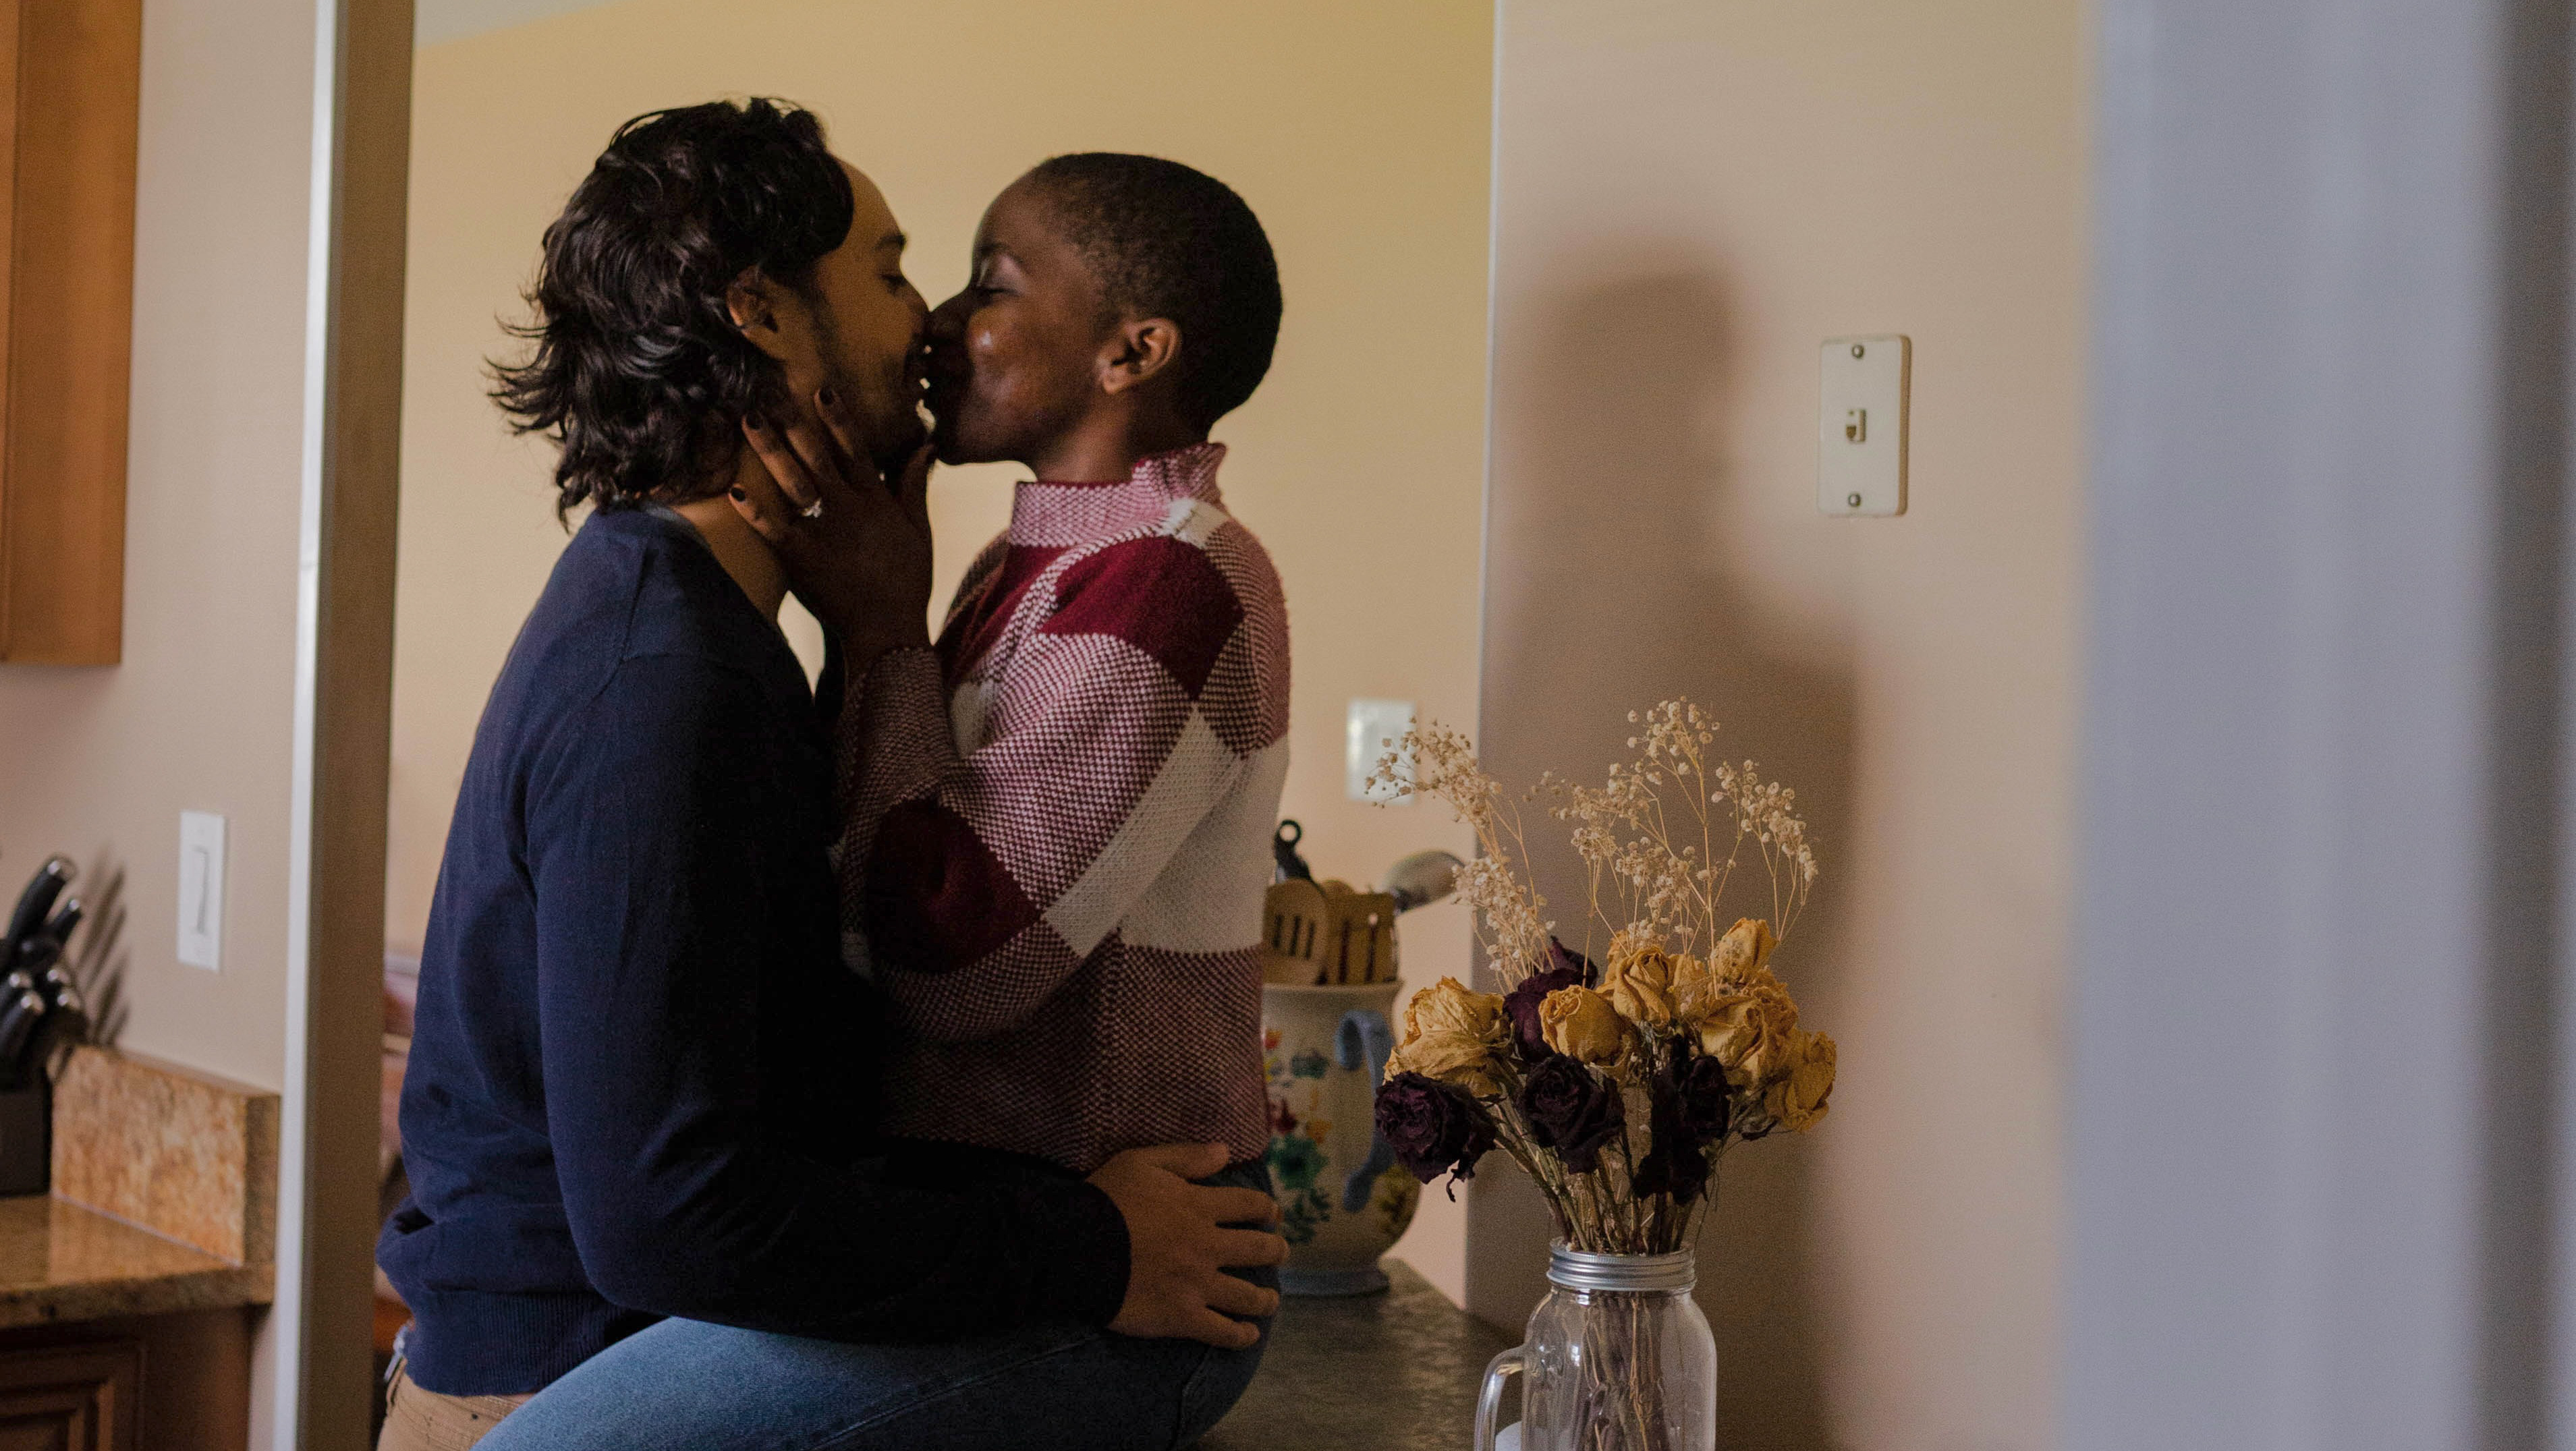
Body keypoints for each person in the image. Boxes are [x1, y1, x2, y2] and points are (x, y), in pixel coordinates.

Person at [378, 102, 1283, 1451]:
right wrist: (1087, 1245)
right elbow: (671, 1210)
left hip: (661, 1335)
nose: (928, 321)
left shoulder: (704, 623)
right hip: (554, 1380)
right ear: (761, 313)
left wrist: (872, 638)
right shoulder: (660, 680)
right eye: (894, 269)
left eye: (969, 280)